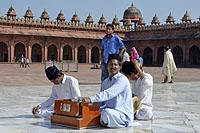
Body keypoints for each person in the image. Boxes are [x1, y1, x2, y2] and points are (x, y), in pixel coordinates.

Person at [80, 54, 133, 128]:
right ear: (107, 66)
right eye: (111, 64)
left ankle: (111, 122)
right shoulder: (105, 82)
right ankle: (104, 121)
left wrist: (91, 99)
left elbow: (109, 93)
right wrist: (88, 105)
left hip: (122, 115)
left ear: (119, 67)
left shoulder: (122, 79)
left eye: (115, 65)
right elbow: (101, 102)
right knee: (93, 111)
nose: (113, 67)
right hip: (110, 111)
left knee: (106, 113)